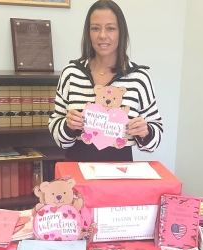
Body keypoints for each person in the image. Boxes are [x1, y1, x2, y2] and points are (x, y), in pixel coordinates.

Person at [49, 0, 163, 162]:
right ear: (88, 33)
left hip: (120, 170)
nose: (102, 35)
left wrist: (145, 132)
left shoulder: (139, 77)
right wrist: (68, 127)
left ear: (121, 33)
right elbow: (57, 135)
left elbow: (154, 140)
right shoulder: (71, 73)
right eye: (95, 28)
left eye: (110, 28)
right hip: (76, 169)